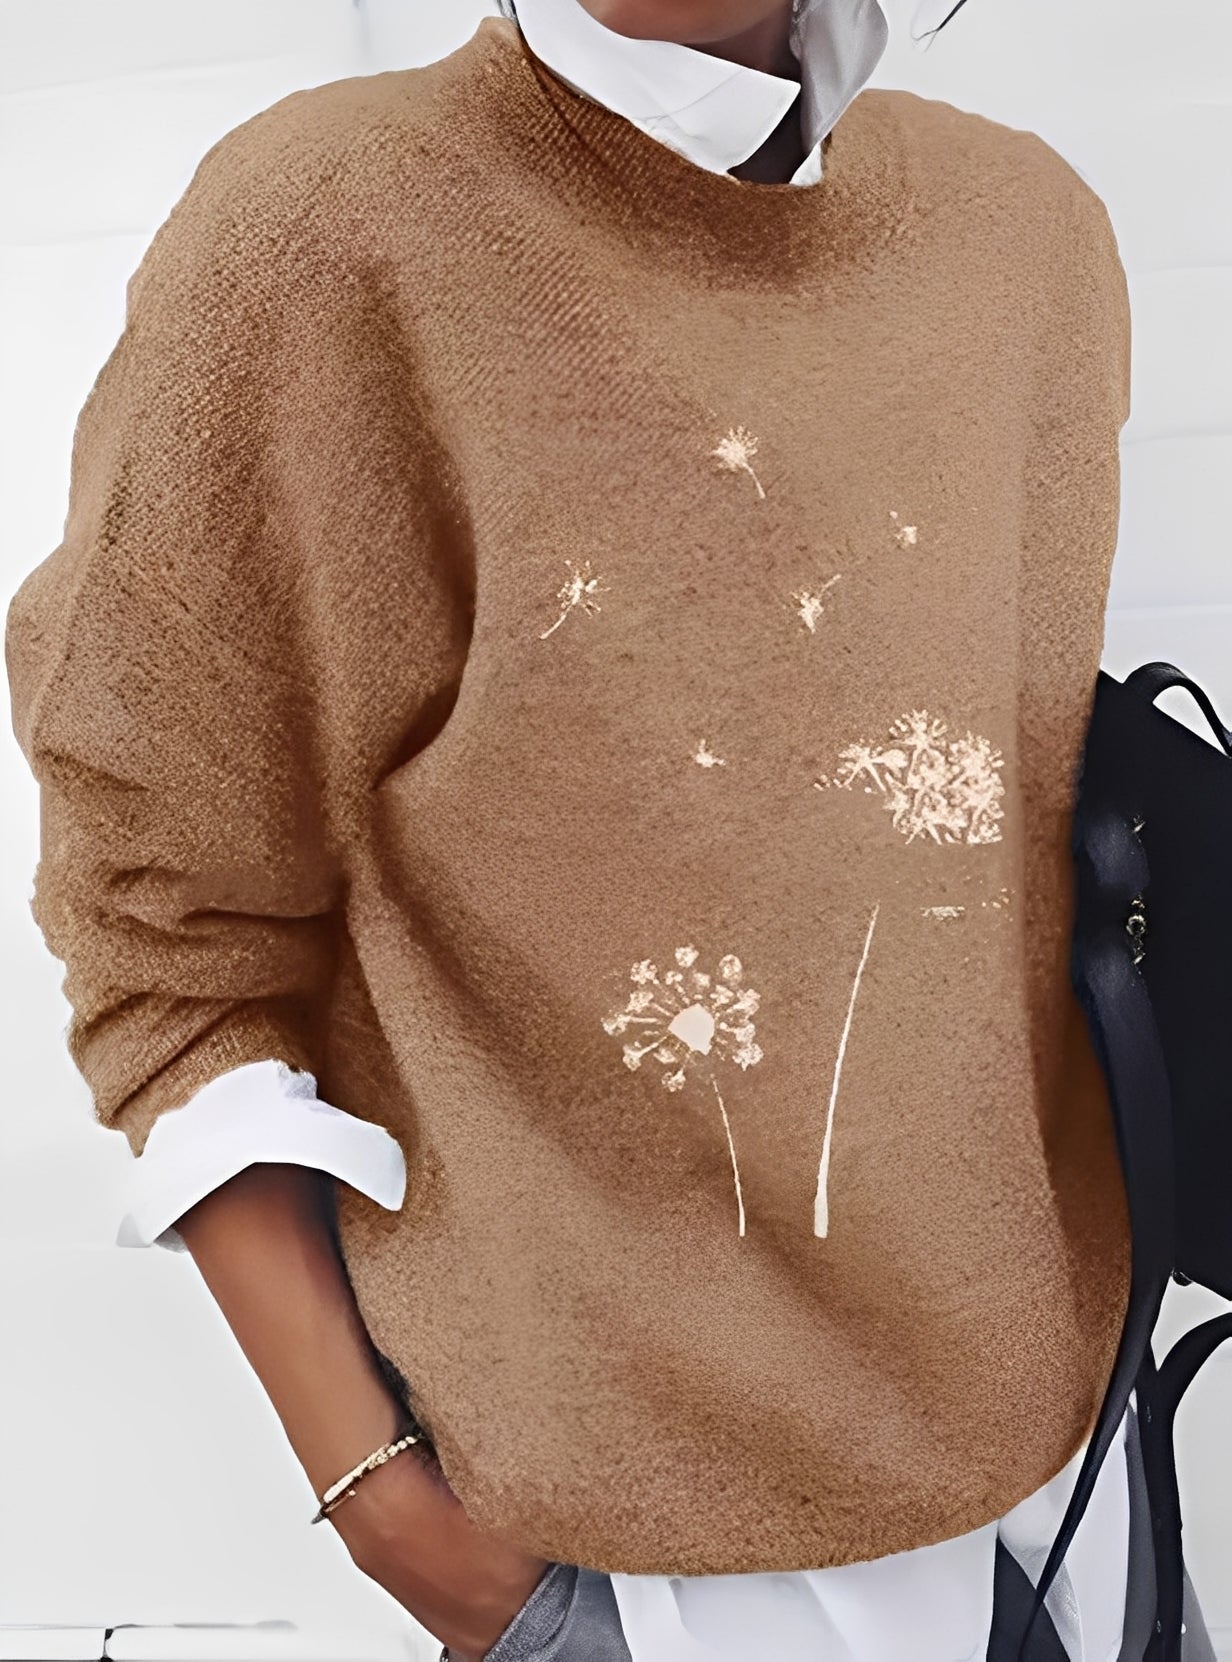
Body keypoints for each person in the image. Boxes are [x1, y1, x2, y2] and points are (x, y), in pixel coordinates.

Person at [5, 1, 1218, 1658]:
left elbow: (986, 849)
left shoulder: (1028, 236)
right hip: (655, 1579)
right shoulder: (324, 236)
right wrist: (394, 1514)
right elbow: (168, 936)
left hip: (1088, 1480)